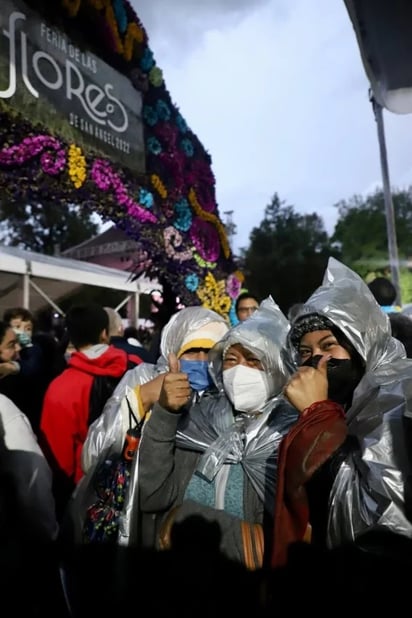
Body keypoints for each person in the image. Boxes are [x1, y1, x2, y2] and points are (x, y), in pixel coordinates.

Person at [270, 257, 412, 567]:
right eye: (305, 352)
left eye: (329, 345)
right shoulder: (347, 404)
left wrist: (317, 415)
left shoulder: (396, 399)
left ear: (362, 345)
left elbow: (382, 523)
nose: (316, 359)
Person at [137, 297, 297, 569]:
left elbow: (288, 534)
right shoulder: (199, 421)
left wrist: (189, 521)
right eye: (231, 360)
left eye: (253, 361)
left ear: (277, 371)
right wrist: (165, 413)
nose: (239, 371)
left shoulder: (288, 434)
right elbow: (153, 496)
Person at [63, 306, 229, 549]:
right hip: (138, 523)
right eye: (193, 351)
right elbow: (92, 455)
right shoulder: (143, 378)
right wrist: (141, 400)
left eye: (212, 352)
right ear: (174, 349)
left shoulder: (227, 398)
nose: (203, 361)